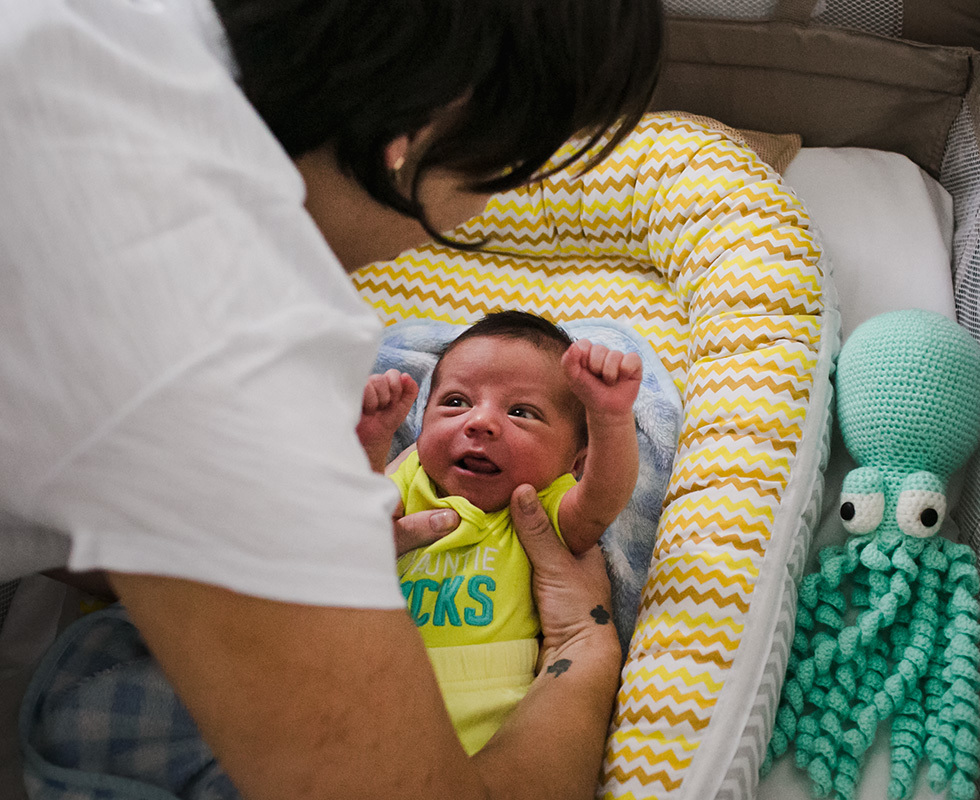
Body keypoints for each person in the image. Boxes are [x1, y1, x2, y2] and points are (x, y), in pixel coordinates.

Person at [0, 0, 663, 798]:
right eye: (500, 178)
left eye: (523, 412)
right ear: (415, 132)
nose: (481, 422)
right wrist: (586, 653)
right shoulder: (220, 333)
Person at [358, 311, 642, 754]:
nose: (480, 422)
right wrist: (374, 443)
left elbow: (603, 499)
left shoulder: (540, 503)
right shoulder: (412, 474)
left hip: (491, 706)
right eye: (455, 402)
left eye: (521, 412)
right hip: (372, 680)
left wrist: (610, 418)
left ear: (574, 462)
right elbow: (364, 518)